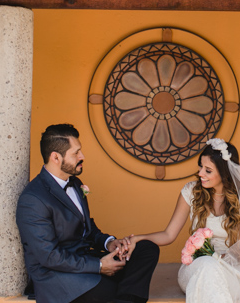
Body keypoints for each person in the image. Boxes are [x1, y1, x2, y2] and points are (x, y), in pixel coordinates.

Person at [125, 138, 240, 303]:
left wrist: (225, 259)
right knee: (207, 265)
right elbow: (168, 234)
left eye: (208, 170)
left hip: (235, 270)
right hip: (196, 267)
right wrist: (137, 239)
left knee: (211, 268)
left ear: (225, 173)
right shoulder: (190, 192)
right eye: (200, 167)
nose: (200, 173)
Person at [16, 124, 159, 303]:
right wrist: (99, 266)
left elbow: (86, 228)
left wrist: (110, 243)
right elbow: (49, 256)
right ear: (55, 157)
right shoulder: (33, 199)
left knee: (146, 249)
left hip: (88, 261)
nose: (82, 156)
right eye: (76, 153)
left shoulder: (75, 183)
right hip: (60, 276)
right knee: (112, 289)